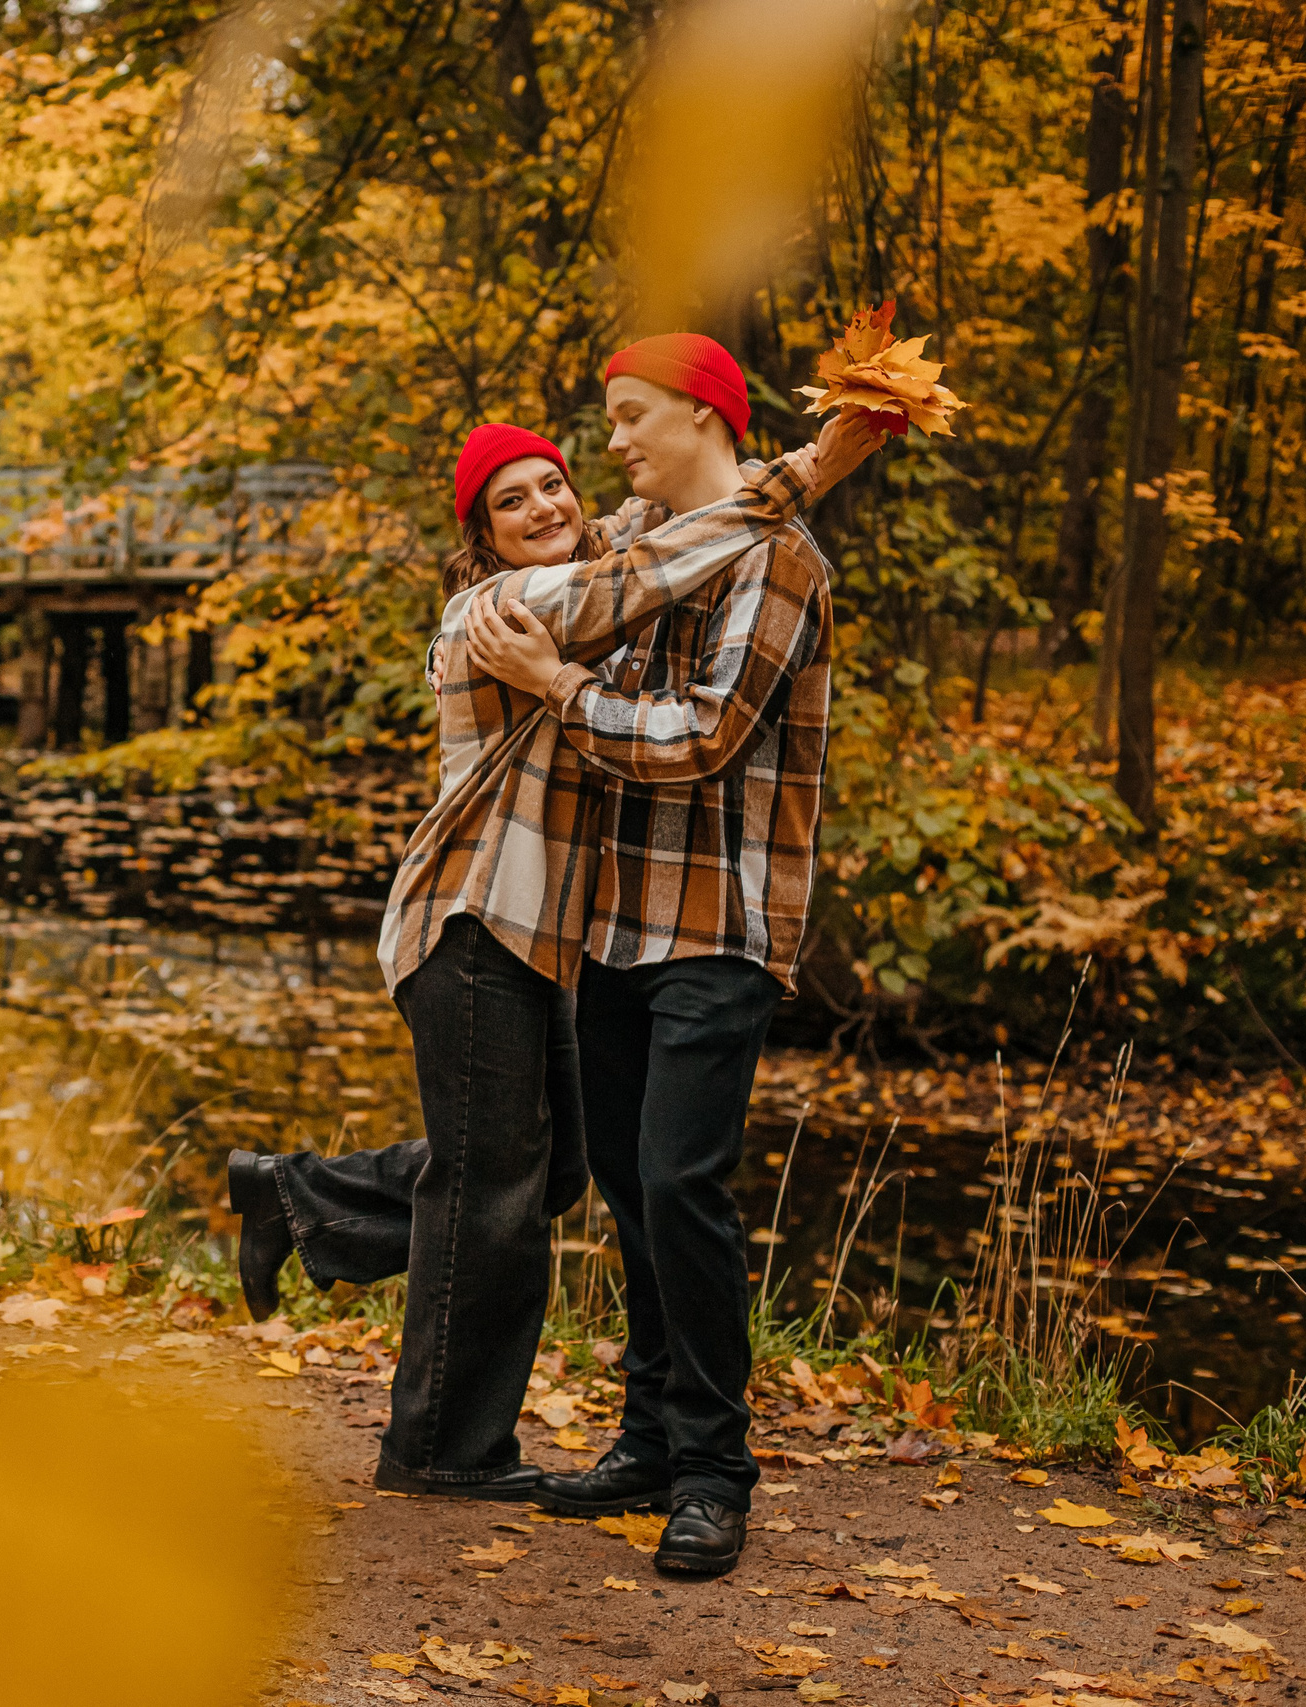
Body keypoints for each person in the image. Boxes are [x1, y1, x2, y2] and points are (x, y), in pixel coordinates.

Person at [226, 396, 880, 1516]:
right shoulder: (502, 609)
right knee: (492, 1187)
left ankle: (300, 1195)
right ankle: (442, 1447)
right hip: (476, 919)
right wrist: (807, 471)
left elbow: (654, 532)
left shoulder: (595, 574)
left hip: (553, 938)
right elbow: (639, 578)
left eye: (552, 486)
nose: (542, 507)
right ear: (479, 539)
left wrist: (741, 468)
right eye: (508, 501)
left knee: (551, 1171)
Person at [463, 333, 850, 1577]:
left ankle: (715, 1473)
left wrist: (559, 689)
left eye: (632, 416)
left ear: (701, 414)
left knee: (683, 1186)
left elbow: (698, 741)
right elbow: (582, 580)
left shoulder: (779, 564)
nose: (612, 441)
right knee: (631, 1188)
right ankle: (645, 1440)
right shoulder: (640, 546)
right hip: (618, 920)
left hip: (720, 929)